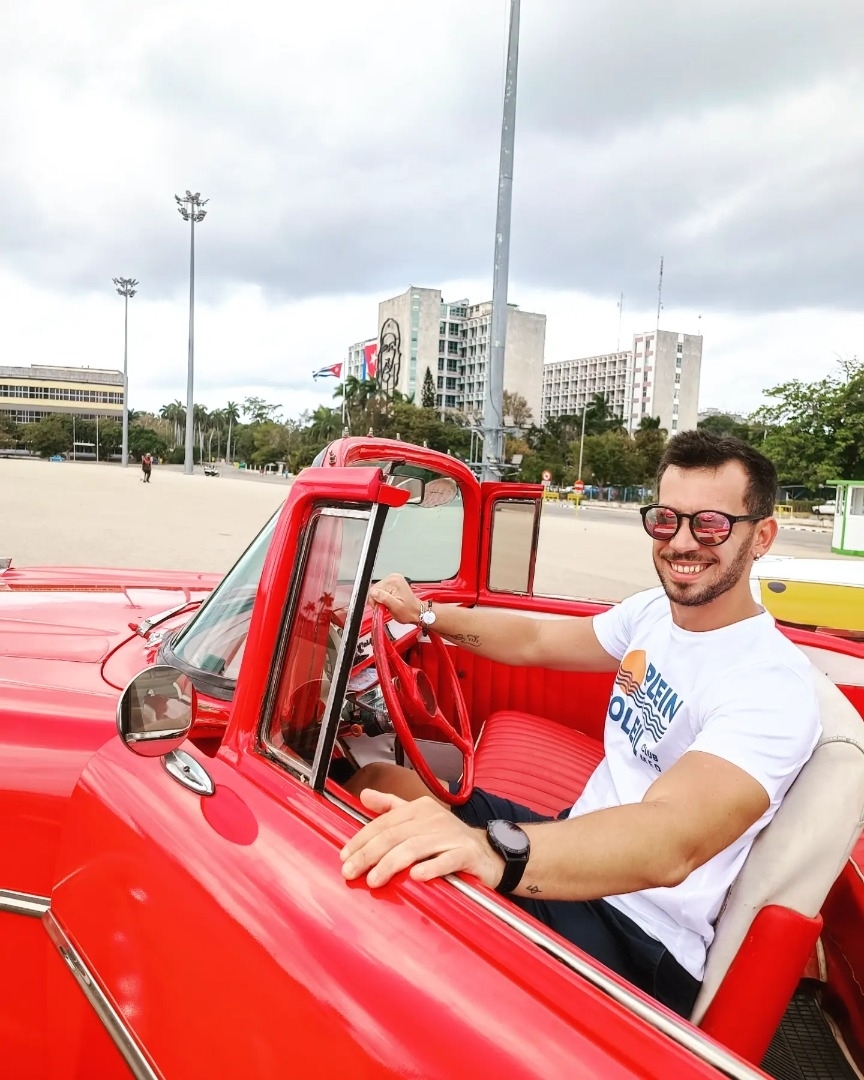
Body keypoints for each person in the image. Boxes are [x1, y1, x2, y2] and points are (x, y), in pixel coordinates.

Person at [341, 431, 821, 1018]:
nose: (682, 542)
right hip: (575, 842)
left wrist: (489, 851)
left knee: (387, 908)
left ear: (761, 536)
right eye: (666, 520)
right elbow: (536, 639)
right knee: (379, 786)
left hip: (638, 932)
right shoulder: (654, 614)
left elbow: (670, 841)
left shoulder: (770, 687)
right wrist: (426, 615)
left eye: (711, 525)